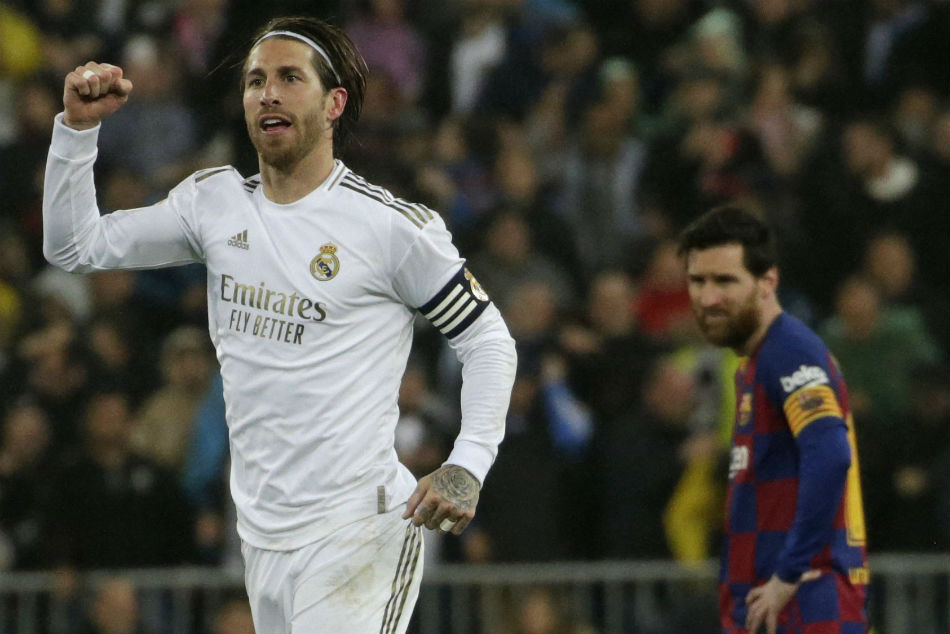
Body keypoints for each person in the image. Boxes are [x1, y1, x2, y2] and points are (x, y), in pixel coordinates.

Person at [42, 15, 517, 634]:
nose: (268, 93)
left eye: (290, 78)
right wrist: (77, 131)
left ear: (333, 103)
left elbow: (488, 338)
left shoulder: (388, 228)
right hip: (262, 537)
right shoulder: (214, 204)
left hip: (357, 530)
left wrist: (469, 461)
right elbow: (74, 246)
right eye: (255, 80)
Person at [677, 206, 869, 634]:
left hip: (805, 612)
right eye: (697, 281)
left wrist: (788, 574)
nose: (707, 298)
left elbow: (831, 455)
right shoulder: (757, 363)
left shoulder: (789, 351)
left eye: (725, 281)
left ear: (768, 282)